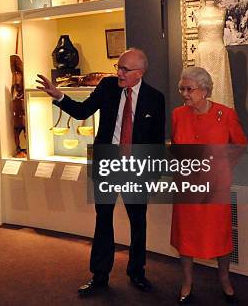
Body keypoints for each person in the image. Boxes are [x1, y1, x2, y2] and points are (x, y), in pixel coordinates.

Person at [36, 48, 165, 295]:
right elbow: (83, 111)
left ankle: (137, 272)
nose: (119, 72)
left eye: (125, 69)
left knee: (138, 222)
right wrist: (59, 95)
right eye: (118, 66)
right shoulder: (107, 87)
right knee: (103, 220)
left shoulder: (154, 98)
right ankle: (99, 275)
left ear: (140, 72)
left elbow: (156, 140)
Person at [171, 67, 247, 304]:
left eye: (189, 89)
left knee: (220, 236)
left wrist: (223, 168)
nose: (184, 93)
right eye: (182, 88)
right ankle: (187, 282)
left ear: (204, 90)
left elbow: (241, 146)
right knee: (186, 237)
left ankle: (225, 280)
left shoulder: (226, 115)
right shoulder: (177, 115)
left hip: (216, 188)